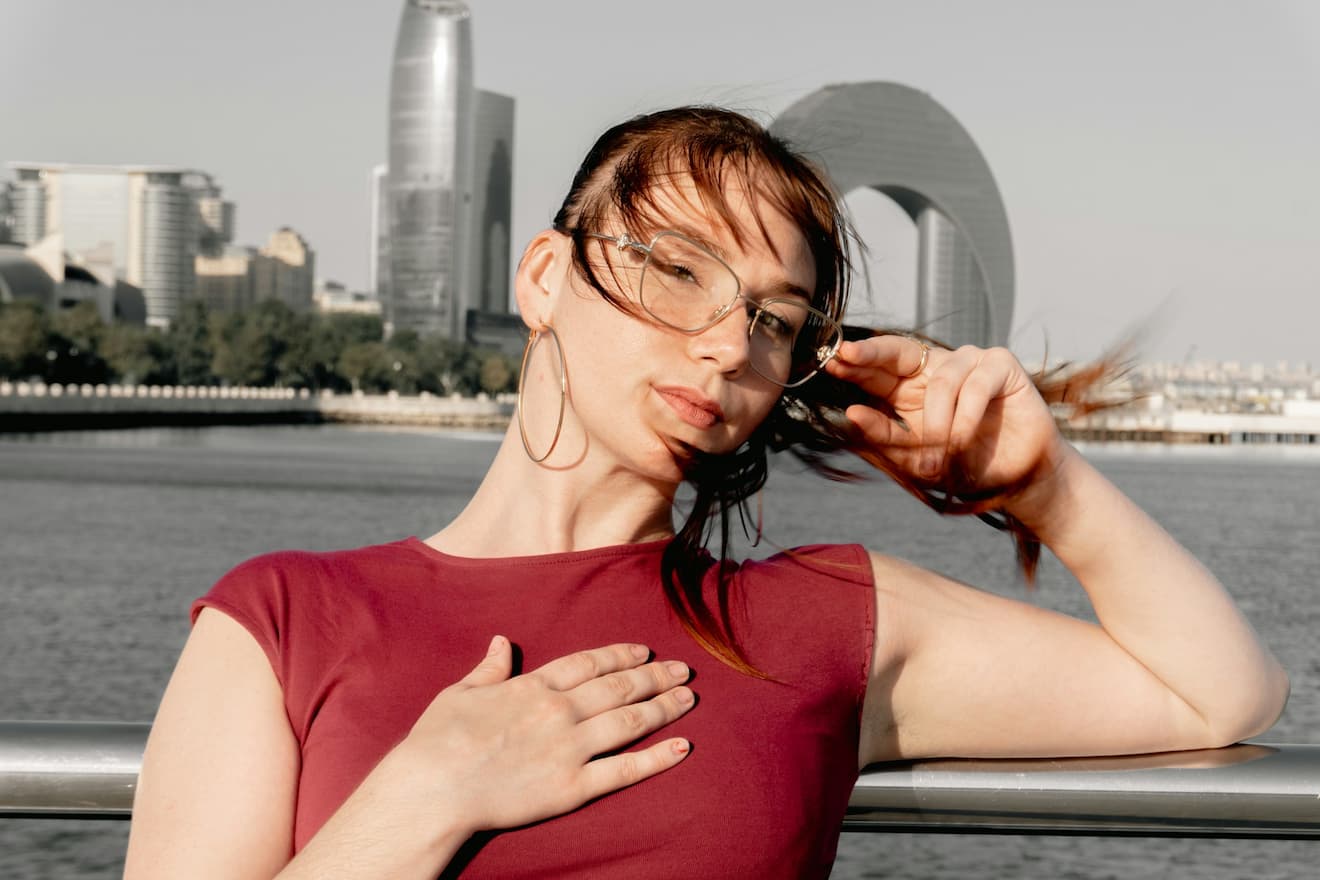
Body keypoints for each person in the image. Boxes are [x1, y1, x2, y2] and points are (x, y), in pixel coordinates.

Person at [124, 106, 1288, 879]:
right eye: (679, 269)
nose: (728, 342)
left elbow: (1215, 693)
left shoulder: (826, 621)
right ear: (544, 276)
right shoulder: (283, 619)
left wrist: (1050, 490)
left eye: (773, 319)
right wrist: (423, 796)